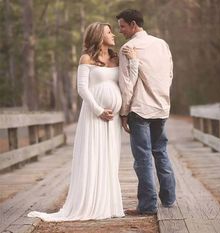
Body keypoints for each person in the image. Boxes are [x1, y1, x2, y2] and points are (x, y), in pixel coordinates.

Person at [27, 22, 139, 221]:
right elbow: (82, 89)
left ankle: (107, 203)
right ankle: (89, 202)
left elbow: (128, 81)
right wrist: (98, 110)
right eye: (109, 32)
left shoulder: (116, 58)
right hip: (94, 115)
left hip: (112, 119)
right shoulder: (86, 58)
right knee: (93, 155)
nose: (113, 34)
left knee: (110, 158)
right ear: (98, 36)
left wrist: (133, 62)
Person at [116, 9, 176, 215]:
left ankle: (148, 205)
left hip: (140, 109)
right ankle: (169, 199)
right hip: (161, 107)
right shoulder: (162, 44)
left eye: (122, 26)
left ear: (133, 25)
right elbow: (169, 74)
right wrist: (163, 97)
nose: (120, 31)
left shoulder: (128, 48)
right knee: (160, 152)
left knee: (142, 158)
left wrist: (123, 112)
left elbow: (127, 84)